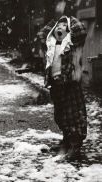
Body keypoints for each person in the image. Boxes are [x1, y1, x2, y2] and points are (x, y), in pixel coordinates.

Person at [37, 16, 87, 159]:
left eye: (64, 25)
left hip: (70, 84)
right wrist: (56, 20)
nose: (60, 27)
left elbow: (81, 30)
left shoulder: (72, 43)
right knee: (61, 116)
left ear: (70, 29)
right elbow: (42, 33)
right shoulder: (51, 44)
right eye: (58, 26)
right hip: (56, 84)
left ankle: (75, 146)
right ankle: (66, 141)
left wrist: (68, 18)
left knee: (74, 116)